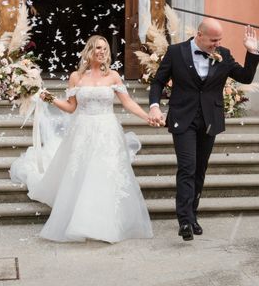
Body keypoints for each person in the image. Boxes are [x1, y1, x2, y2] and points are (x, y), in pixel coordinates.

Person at [10, 35, 154, 243]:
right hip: (83, 130)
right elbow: (71, 108)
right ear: (89, 51)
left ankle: (106, 225)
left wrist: (147, 116)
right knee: (84, 174)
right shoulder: (76, 77)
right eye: (97, 48)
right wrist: (49, 98)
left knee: (106, 173)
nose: (102, 52)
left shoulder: (113, 76)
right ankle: (82, 222)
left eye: (104, 48)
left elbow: (128, 103)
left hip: (107, 130)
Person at [148, 18, 259, 241]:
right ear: (199, 35)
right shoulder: (176, 52)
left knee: (200, 170)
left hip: (209, 119)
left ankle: (193, 214)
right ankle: (184, 221)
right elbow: (158, 82)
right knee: (187, 167)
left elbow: (245, 77)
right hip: (183, 118)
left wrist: (252, 51)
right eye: (213, 40)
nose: (216, 44)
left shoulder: (224, 54)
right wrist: (154, 107)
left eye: (219, 40)